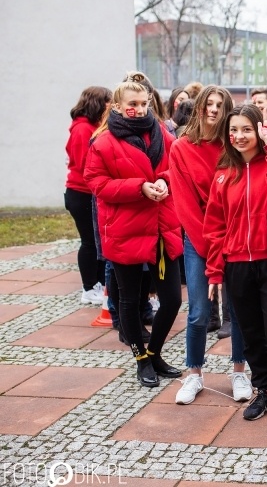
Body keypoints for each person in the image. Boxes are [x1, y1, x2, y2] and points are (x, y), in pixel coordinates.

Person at [84, 81, 183, 388]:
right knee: (128, 300)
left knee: (172, 300)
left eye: (144, 103)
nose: (140, 109)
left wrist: (165, 181)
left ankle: (154, 353)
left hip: (161, 227)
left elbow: (175, 167)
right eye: (133, 104)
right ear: (116, 107)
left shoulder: (162, 134)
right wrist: (139, 187)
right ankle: (141, 358)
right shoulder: (102, 142)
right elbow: (97, 183)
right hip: (125, 229)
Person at [204, 104, 267, 420]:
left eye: (247, 129)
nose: (239, 136)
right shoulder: (222, 174)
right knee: (252, 333)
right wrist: (215, 271)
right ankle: (264, 390)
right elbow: (215, 228)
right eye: (234, 130)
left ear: (259, 130)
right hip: (237, 266)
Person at [169, 85, 251, 405]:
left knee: (239, 308)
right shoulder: (181, 148)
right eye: (209, 104)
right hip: (199, 239)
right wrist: (209, 251)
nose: (214, 110)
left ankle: (240, 370)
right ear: (200, 106)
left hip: (234, 238)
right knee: (199, 312)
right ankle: (193, 373)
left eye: (221, 105)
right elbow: (186, 206)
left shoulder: (233, 147)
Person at [66, 86, 111, 306]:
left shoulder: (90, 127)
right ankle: (88, 287)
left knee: (96, 241)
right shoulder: (82, 129)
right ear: (97, 103)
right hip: (81, 193)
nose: (110, 105)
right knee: (89, 242)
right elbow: (86, 165)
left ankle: (98, 283)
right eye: (107, 101)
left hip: (87, 193)